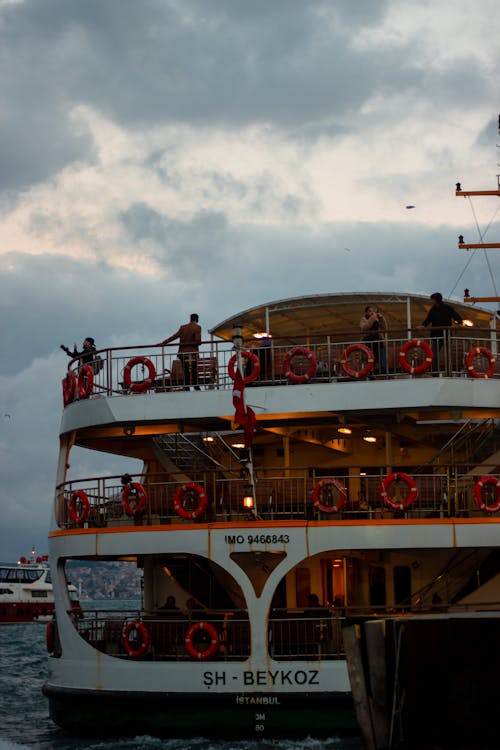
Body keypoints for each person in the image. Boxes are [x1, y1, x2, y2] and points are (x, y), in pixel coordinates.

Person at [418, 292, 463, 374]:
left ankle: (448, 372)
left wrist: (460, 323)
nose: (431, 301)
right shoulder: (433, 310)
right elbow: (428, 319)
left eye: (432, 299)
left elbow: (456, 316)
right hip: (436, 336)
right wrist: (423, 325)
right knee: (434, 355)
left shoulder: (447, 308)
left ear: (436, 300)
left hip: (446, 335)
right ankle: (434, 372)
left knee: (448, 355)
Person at [160, 314, 201, 391]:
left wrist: (164, 343)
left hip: (182, 353)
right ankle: (196, 386)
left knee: (185, 370)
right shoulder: (197, 327)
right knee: (194, 369)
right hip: (192, 353)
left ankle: (186, 386)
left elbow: (174, 336)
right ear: (197, 319)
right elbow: (198, 341)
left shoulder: (183, 327)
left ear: (190, 319)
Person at [360, 305, 387, 376]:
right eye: (370, 311)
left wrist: (382, 318)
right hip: (368, 343)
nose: (372, 312)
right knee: (370, 360)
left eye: (373, 311)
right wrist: (373, 317)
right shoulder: (363, 319)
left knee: (382, 359)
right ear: (366, 312)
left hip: (379, 342)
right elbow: (365, 328)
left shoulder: (377, 319)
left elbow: (385, 328)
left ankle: (383, 373)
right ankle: (371, 373)